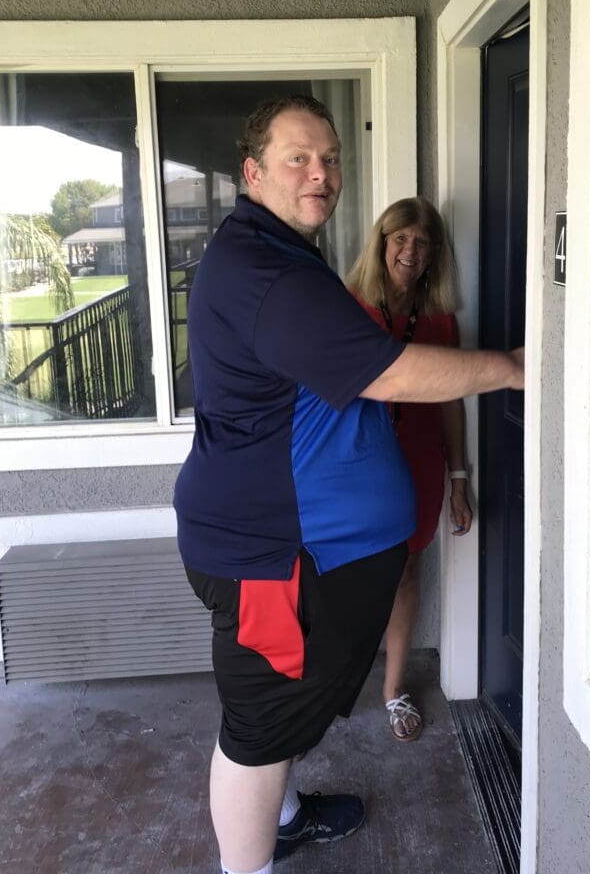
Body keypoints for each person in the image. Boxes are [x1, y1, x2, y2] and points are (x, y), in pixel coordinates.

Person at [174, 94, 524, 874]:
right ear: (253, 170)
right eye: (298, 157)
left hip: (294, 549)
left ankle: (286, 816)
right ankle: (250, 864)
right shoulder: (267, 273)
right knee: (257, 734)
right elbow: (391, 373)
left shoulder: (282, 253)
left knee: (275, 714)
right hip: (275, 558)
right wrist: (513, 367)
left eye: (330, 157)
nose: (321, 172)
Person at [347, 198, 471, 742]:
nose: (409, 250)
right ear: (381, 242)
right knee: (349, 576)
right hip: (359, 460)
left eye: (421, 242)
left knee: (405, 573)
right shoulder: (349, 305)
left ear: (432, 254)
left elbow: (453, 400)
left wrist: (459, 479)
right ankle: (335, 684)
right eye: (400, 238)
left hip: (419, 459)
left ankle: (393, 688)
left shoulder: (440, 317)